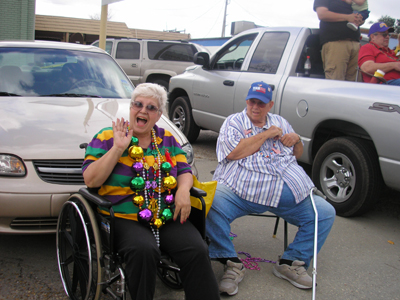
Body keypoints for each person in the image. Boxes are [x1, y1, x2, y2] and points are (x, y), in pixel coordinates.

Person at [82, 83, 220, 300]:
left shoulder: (167, 139)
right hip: (124, 216)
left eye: (151, 107)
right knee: (144, 251)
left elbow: (184, 169)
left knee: (197, 250)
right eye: (138, 104)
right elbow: (90, 180)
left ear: (159, 115)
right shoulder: (108, 136)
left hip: (165, 214)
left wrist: (184, 190)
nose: (143, 110)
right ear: (131, 107)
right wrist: (118, 148)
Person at [206, 81, 336, 296]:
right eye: (252, 101)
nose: (255, 107)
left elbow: (296, 154)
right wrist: (266, 134)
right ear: (246, 100)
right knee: (210, 203)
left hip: (288, 192)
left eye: (261, 103)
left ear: (270, 105)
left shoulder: (281, 121)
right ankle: (231, 263)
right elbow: (233, 153)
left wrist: (297, 140)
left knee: (324, 213)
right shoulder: (234, 122)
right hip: (240, 190)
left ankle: (291, 262)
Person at [314, 0, 364, 81]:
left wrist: (359, 19)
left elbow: (361, 12)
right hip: (336, 43)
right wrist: (347, 17)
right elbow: (322, 14)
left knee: (355, 85)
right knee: (336, 82)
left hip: (355, 44)